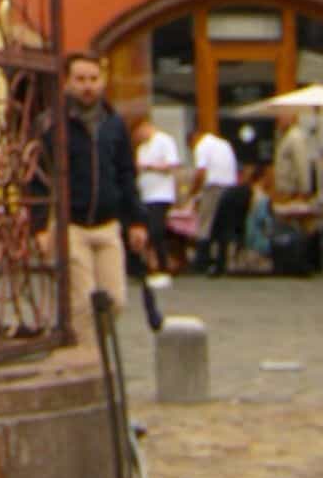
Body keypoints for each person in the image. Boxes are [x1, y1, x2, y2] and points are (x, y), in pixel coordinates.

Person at [54, 54, 147, 347]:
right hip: (72, 225)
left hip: (108, 224)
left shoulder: (114, 124)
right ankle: (89, 363)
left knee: (115, 299)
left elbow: (126, 174)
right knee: (81, 303)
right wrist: (40, 227)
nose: (87, 86)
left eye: (93, 79)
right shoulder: (55, 124)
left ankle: (92, 355)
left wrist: (137, 221)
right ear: (67, 82)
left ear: (102, 81)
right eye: (80, 79)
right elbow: (41, 177)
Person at [189, 115, 245, 273]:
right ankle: (222, 261)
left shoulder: (201, 145)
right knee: (223, 227)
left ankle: (202, 261)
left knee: (205, 223)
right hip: (231, 188)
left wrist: (194, 192)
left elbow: (201, 172)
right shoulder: (224, 143)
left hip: (214, 187)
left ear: (193, 139)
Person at [135, 104, 182, 266]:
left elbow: (172, 165)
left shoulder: (164, 140)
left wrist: (149, 166)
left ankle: (162, 264)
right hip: (146, 194)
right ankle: (149, 263)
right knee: (147, 230)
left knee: (156, 230)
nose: (138, 135)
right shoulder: (141, 148)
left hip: (160, 194)